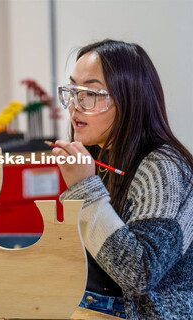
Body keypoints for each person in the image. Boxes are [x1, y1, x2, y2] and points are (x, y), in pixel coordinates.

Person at [52, 39, 193, 319]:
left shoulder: (163, 168)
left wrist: (85, 191)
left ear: (129, 99)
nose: (75, 107)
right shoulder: (102, 157)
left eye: (90, 94)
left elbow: (138, 273)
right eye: (73, 91)